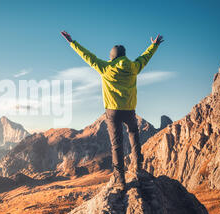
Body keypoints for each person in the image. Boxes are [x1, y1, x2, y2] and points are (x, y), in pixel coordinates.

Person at [60, 31, 164, 190]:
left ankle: (120, 179)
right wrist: (154, 45)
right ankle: (139, 167)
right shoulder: (134, 67)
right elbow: (145, 58)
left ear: (112, 57)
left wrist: (72, 42)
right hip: (129, 110)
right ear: (123, 56)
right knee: (134, 136)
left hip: (112, 112)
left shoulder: (106, 67)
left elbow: (88, 56)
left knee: (117, 145)